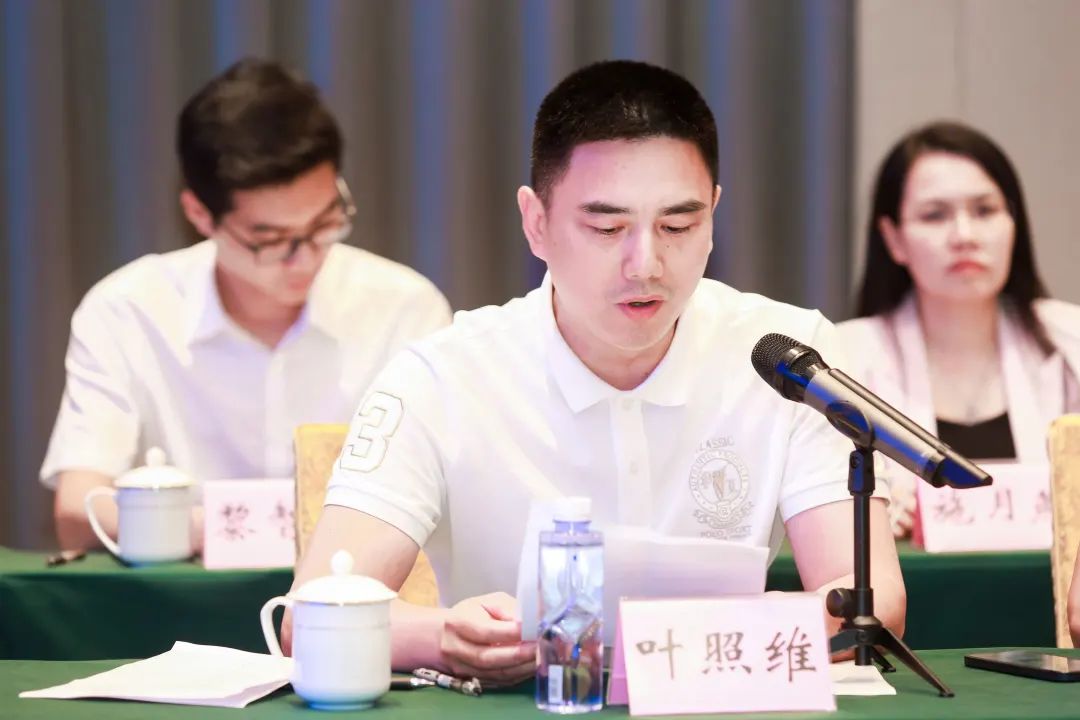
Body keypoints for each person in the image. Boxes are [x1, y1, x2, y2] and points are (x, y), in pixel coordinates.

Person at [291, 60, 905, 684]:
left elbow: (872, 595)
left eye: (678, 225)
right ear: (536, 223)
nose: (646, 264)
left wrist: (689, 645)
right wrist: (445, 635)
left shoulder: (790, 358)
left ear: (714, 216)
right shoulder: (442, 376)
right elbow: (309, 615)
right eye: (608, 227)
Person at [43, 58, 451, 551]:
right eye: (272, 240)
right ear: (199, 214)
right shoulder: (127, 312)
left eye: (325, 223)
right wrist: (239, 531)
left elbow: (448, 499)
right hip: (181, 592)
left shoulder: (405, 309)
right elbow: (78, 510)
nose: (306, 258)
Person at [838, 121, 1080, 537]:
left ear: (1014, 222)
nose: (964, 235)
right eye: (935, 215)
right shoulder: (844, 357)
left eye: (985, 211)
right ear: (893, 238)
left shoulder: (1072, 339)